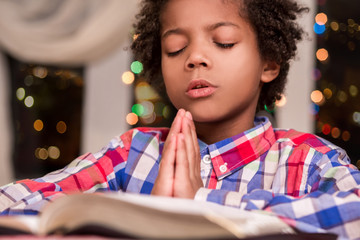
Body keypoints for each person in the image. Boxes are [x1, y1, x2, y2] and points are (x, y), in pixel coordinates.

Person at [1, 0, 360, 239]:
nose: (195, 58)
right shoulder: (131, 154)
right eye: (176, 48)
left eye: (223, 41)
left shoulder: (309, 159)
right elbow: (15, 200)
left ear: (268, 63)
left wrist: (203, 202)